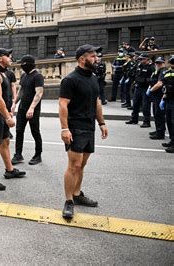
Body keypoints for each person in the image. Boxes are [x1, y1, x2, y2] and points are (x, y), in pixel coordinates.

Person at [59, 45, 108, 219]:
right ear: (82, 59)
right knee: (74, 166)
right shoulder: (70, 80)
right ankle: (68, 201)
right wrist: (65, 128)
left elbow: (97, 102)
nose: (97, 59)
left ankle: (77, 194)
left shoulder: (93, 78)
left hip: (89, 127)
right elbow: (63, 104)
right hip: (75, 127)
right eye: (93, 56)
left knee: (82, 165)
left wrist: (101, 123)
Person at [0, 48, 26, 191]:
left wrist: (9, 110)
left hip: (1, 114)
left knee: (5, 142)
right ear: (0, 58)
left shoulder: (3, 73)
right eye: (8, 56)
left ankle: (9, 170)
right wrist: (8, 117)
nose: (11, 58)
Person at [11, 55, 44, 165]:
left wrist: (31, 108)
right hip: (22, 108)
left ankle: (38, 155)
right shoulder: (24, 75)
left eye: (23, 64)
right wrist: (14, 103)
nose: (21, 66)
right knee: (19, 130)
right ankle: (18, 154)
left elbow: (39, 93)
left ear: (29, 64)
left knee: (35, 131)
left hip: (32, 109)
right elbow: (21, 90)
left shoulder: (38, 76)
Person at [126, 53, 155, 127]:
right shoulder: (139, 66)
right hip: (138, 87)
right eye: (140, 59)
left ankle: (146, 122)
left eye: (142, 59)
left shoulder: (151, 67)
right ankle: (134, 119)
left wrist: (147, 82)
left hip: (145, 88)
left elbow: (153, 78)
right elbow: (134, 74)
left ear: (146, 59)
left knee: (145, 105)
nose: (140, 60)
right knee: (135, 104)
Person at [147, 57, 168, 140]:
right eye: (157, 63)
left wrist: (151, 90)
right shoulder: (157, 71)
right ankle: (158, 129)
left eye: (160, 63)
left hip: (159, 95)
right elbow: (153, 81)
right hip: (155, 95)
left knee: (159, 114)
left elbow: (159, 84)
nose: (158, 64)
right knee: (156, 114)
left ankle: (160, 132)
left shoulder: (163, 71)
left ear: (163, 63)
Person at [159, 56, 174, 153]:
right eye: (171, 63)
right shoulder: (167, 73)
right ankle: (172, 140)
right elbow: (164, 85)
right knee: (169, 121)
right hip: (168, 99)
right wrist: (163, 98)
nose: (172, 65)